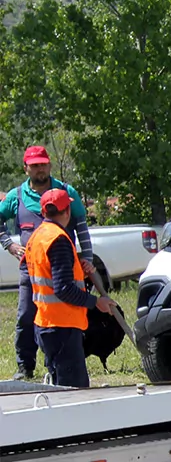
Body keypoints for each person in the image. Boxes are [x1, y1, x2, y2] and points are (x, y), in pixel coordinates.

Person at [1, 146, 95, 380]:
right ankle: (25, 366)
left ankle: (60, 363)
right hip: (30, 268)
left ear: (49, 165)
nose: (40, 168)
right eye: (34, 165)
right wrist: (8, 244)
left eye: (43, 164)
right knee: (26, 315)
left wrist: (88, 257)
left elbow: (81, 226)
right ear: (26, 168)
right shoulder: (17, 196)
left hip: (61, 265)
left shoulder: (65, 192)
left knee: (64, 314)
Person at [23, 188, 116, 388]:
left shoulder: (37, 237)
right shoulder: (59, 240)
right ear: (67, 212)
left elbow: (45, 274)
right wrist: (95, 302)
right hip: (61, 326)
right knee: (73, 392)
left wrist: (78, 269)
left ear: (43, 212)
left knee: (60, 388)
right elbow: (63, 288)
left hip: (46, 322)